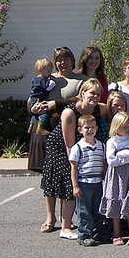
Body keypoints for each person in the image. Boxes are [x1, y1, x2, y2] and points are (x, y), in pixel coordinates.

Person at [38, 66, 97, 238]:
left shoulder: (93, 109)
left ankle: (67, 221)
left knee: (67, 184)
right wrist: (75, 163)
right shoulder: (70, 112)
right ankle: (63, 226)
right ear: (82, 93)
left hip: (74, 146)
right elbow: (69, 145)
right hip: (60, 146)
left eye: (97, 94)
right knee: (66, 184)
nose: (94, 97)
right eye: (91, 93)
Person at [28, 46, 83, 178]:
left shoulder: (81, 80)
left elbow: (81, 100)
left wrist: (55, 104)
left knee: (69, 174)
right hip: (46, 131)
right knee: (48, 176)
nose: (62, 62)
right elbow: (32, 98)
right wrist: (33, 108)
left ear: (72, 61)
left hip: (70, 132)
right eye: (58, 60)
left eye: (66, 59)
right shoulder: (47, 78)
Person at [100, 111, 129, 245]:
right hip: (115, 176)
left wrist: (121, 154)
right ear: (117, 127)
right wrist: (127, 158)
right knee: (116, 201)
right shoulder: (111, 141)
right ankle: (116, 233)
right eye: (125, 127)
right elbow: (111, 160)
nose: (128, 129)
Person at [68, 114, 106, 246]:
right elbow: (74, 167)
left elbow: (104, 164)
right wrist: (75, 186)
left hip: (98, 183)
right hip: (84, 183)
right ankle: (84, 234)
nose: (90, 130)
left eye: (92, 127)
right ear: (80, 130)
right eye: (86, 128)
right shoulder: (77, 148)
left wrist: (104, 178)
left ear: (96, 128)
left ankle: (96, 234)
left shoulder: (102, 145)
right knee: (84, 211)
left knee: (98, 209)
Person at [29, 57, 56, 136]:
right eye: (48, 71)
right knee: (44, 112)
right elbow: (48, 87)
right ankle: (41, 128)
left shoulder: (35, 79)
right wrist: (53, 81)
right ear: (41, 70)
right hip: (40, 99)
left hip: (33, 100)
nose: (50, 73)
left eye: (50, 71)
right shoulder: (42, 79)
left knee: (36, 115)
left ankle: (32, 125)